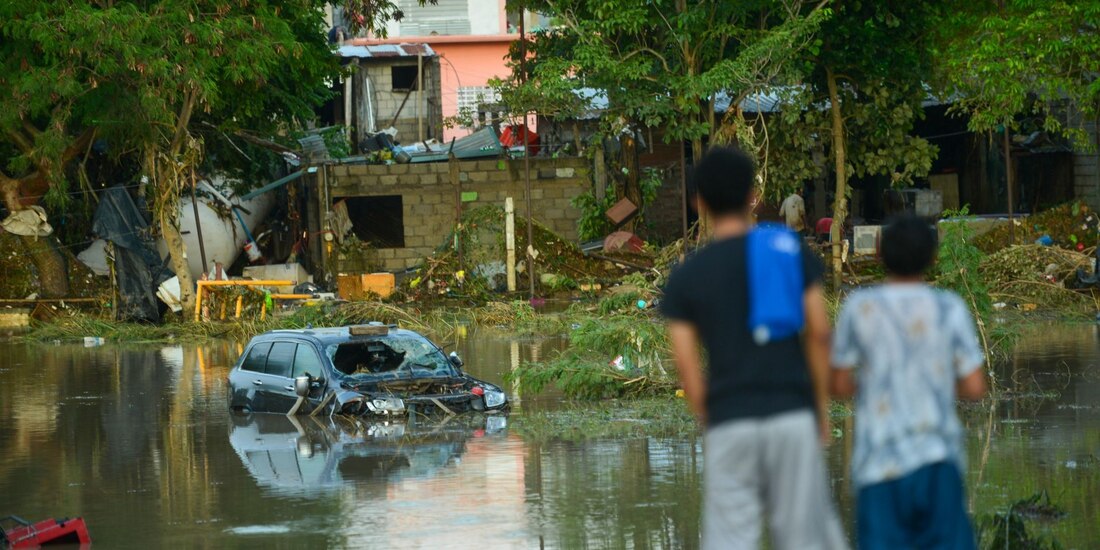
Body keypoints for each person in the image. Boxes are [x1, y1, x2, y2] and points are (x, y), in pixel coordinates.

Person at [661, 147, 847, 550]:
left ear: (699, 201)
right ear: (752, 195)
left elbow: (688, 369)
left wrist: (715, 419)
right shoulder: (786, 250)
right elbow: (818, 334)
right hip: (791, 415)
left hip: (730, 422)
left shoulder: (688, 275)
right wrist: (819, 410)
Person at [831, 215, 988, 549]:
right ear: (932, 258)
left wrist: (876, 386)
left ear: (878, 254)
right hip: (937, 461)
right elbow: (975, 388)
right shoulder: (949, 308)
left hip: (878, 466)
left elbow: (839, 385)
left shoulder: (860, 308)